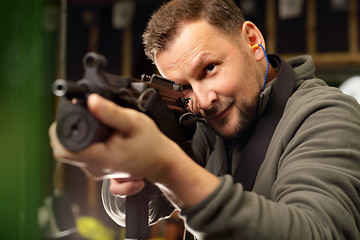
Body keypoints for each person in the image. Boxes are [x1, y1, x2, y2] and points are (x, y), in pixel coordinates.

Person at [49, 0, 360, 239]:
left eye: (209, 68)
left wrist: (167, 167)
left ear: (252, 41)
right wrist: (127, 173)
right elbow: (142, 209)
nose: (203, 100)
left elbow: (317, 231)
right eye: (183, 86)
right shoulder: (201, 123)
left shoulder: (329, 116)